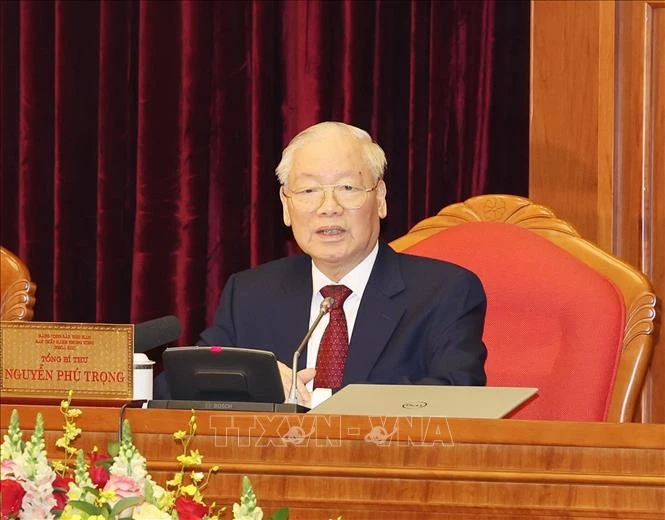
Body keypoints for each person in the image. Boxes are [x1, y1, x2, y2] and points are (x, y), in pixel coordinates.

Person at [198, 121, 487, 407]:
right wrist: (255, 382)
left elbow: (457, 394)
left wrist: (316, 400)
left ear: (381, 198)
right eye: (309, 191)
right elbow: (186, 381)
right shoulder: (250, 294)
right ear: (286, 206)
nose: (329, 207)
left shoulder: (444, 292)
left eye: (347, 187)